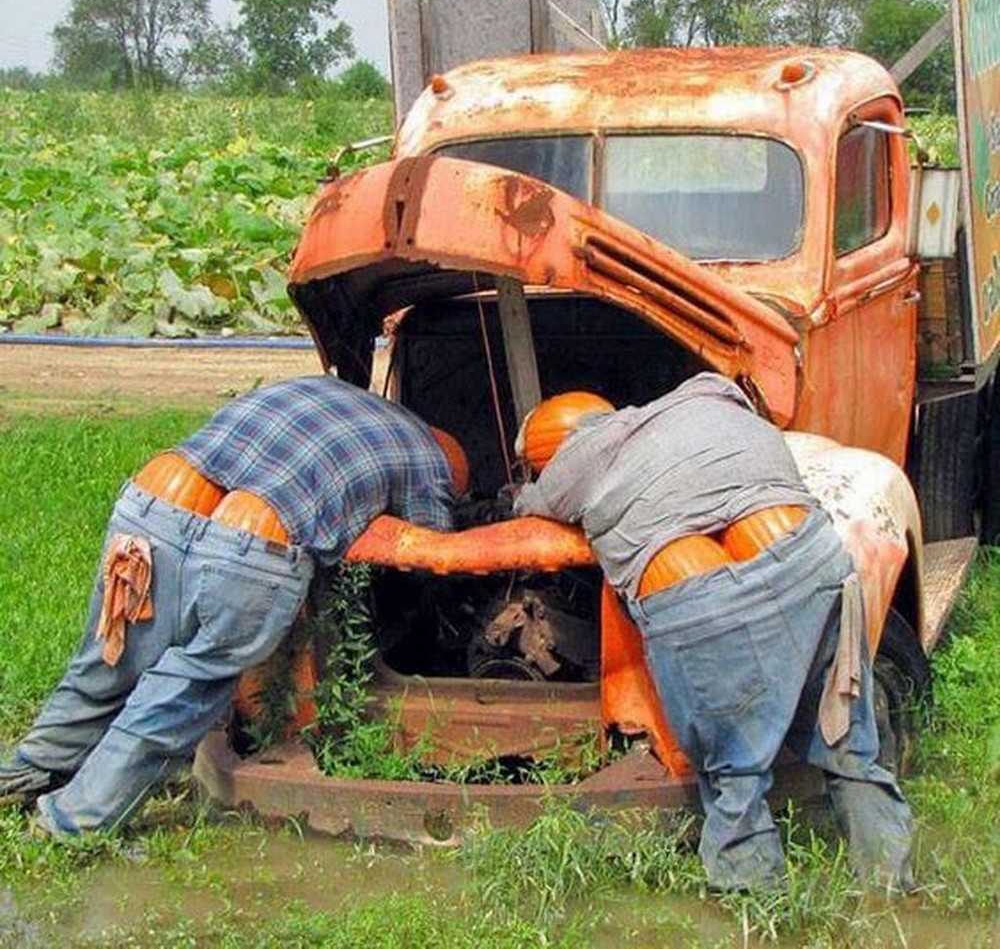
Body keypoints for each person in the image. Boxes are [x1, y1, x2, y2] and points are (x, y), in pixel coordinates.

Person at [0, 375, 464, 838]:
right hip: (250, 547)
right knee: (185, 689)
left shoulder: (324, 391)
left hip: (148, 513)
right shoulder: (430, 458)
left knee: (106, 662)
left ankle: (23, 775)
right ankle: (70, 823)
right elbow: (427, 558)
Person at [512, 372, 914, 892]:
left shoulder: (574, 463)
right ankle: (891, 893)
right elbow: (745, 397)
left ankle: (764, 913)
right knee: (848, 745)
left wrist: (523, 491)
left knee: (735, 781)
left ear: (554, 450)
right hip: (811, 561)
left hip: (701, 607)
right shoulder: (703, 393)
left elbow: (529, 505)